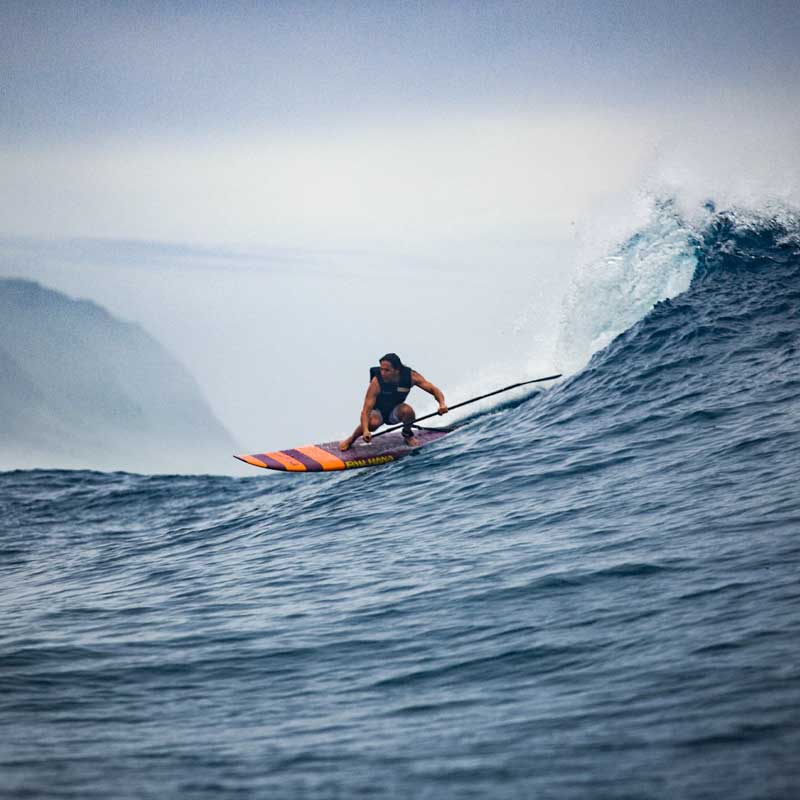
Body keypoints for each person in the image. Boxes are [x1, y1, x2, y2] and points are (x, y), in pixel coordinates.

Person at [339, 353, 448, 451]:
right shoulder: (376, 382)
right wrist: (366, 430)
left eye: (387, 370)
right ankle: (351, 439)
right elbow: (366, 411)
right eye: (381, 369)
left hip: (395, 412)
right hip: (378, 412)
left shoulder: (411, 377)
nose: (383, 373)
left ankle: (407, 435)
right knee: (373, 423)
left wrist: (442, 404)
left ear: (397, 370)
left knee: (408, 411)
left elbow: (433, 389)